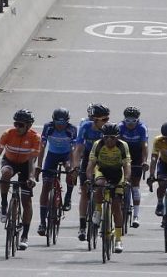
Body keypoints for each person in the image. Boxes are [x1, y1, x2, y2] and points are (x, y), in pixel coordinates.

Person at [0, 109, 40, 250]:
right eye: (15, 124)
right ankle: (4, 205)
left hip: (25, 165)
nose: (17, 127)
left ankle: (25, 236)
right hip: (9, 161)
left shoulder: (35, 137)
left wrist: (31, 177)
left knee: (26, 201)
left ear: (28, 125)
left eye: (21, 125)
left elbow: (32, 161)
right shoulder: (8, 134)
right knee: (5, 173)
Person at [87, 122, 131, 253]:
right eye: (106, 137)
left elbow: (127, 166)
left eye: (112, 137)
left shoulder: (123, 146)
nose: (109, 140)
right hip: (102, 171)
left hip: (117, 173)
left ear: (117, 137)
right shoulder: (98, 144)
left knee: (117, 205)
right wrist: (89, 179)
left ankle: (118, 239)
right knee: (99, 185)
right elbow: (91, 164)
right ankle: (98, 209)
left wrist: (126, 181)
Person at [37, 108, 78, 236]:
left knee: (70, 171)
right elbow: (42, 147)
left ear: (67, 121)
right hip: (51, 156)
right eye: (57, 122)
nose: (60, 125)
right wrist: (39, 165)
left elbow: (73, 150)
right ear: (53, 120)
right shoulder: (48, 127)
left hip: (66, 156)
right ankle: (42, 222)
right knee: (45, 187)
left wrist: (72, 167)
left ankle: (68, 197)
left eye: (63, 122)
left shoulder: (71, 129)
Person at [76, 103, 110, 241]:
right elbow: (78, 148)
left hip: (102, 160)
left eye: (108, 119)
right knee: (84, 191)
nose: (107, 122)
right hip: (87, 159)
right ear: (95, 120)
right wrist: (75, 166)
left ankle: (98, 210)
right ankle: (82, 226)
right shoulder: (85, 127)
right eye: (104, 119)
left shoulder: (107, 130)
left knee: (99, 188)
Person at [117, 107, 149, 226]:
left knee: (135, 185)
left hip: (136, 154)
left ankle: (136, 216)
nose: (130, 124)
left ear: (137, 120)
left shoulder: (141, 128)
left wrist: (144, 161)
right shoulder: (120, 127)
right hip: (123, 152)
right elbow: (116, 144)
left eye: (133, 121)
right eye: (128, 121)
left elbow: (144, 146)